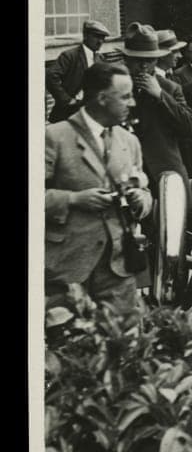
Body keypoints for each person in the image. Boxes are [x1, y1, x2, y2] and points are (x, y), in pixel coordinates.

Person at [45, 62, 153, 314]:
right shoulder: (55, 137)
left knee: (122, 343)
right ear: (102, 98)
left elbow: (146, 196)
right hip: (67, 271)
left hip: (118, 270)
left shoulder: (130, 142)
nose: (132, 103)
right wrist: (72, 199)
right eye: (125, 97)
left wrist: (140, 200)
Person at [120, 24, 192, 212]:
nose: (144, 66)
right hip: (128, 176)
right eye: (138, 60)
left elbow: (191, 127)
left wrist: (160, 96)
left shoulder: (170, 88)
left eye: (150, 60)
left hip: (164, 173)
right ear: (126, 60)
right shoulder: (117, 87)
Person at [46, 20, 111, 123]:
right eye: (96, 37)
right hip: (68, 113)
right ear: (85, 36)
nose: (100, 41)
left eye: (103, 38)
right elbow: (50, 76)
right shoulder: (70, 56)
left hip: (91, 114)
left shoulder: (101, 60)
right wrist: (66, 100)